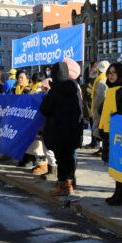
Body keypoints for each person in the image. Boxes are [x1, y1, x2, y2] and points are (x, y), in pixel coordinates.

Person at [40, 61, 84, 196]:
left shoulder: (55, 90)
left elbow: (44, 109)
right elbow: (80, 110)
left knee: (61, 159)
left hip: (57, 132)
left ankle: (61, 186)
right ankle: (69, 186)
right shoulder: (75, 89)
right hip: (72, 131)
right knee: (69, 158)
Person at [100, 63, 122, 205]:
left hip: (120, 133)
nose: (111, 75)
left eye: (114, 72)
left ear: (120, 74)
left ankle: (121, 194)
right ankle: (120, 193)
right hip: (110, 132)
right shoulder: (111, 90)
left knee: (120, 164)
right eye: (109, 73)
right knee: (114, 164)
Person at [89, 60, 109, 155]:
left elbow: (100, 96)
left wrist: (95, 107)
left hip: (99, 108)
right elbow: (91, 75)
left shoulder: (101, 80)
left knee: (98, 128)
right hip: (101, 108)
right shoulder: (103, 78)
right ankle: (102, 147)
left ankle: (104, 148)